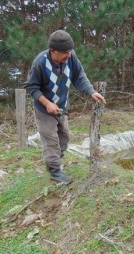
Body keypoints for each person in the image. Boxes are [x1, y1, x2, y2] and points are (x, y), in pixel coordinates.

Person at [24, 29, 106, 185]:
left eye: (70, 51)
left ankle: (53, 164)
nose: (69, 55)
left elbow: (79, 75)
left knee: (64, 137)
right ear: (53, 51)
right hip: (44, 109)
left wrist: (91, 91)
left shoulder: (71, 57)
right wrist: (47, 103)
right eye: (65, 52)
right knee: (50, 139)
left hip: (61, 106)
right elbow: (31, 87)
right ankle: (55, 172)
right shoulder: (40, 63)